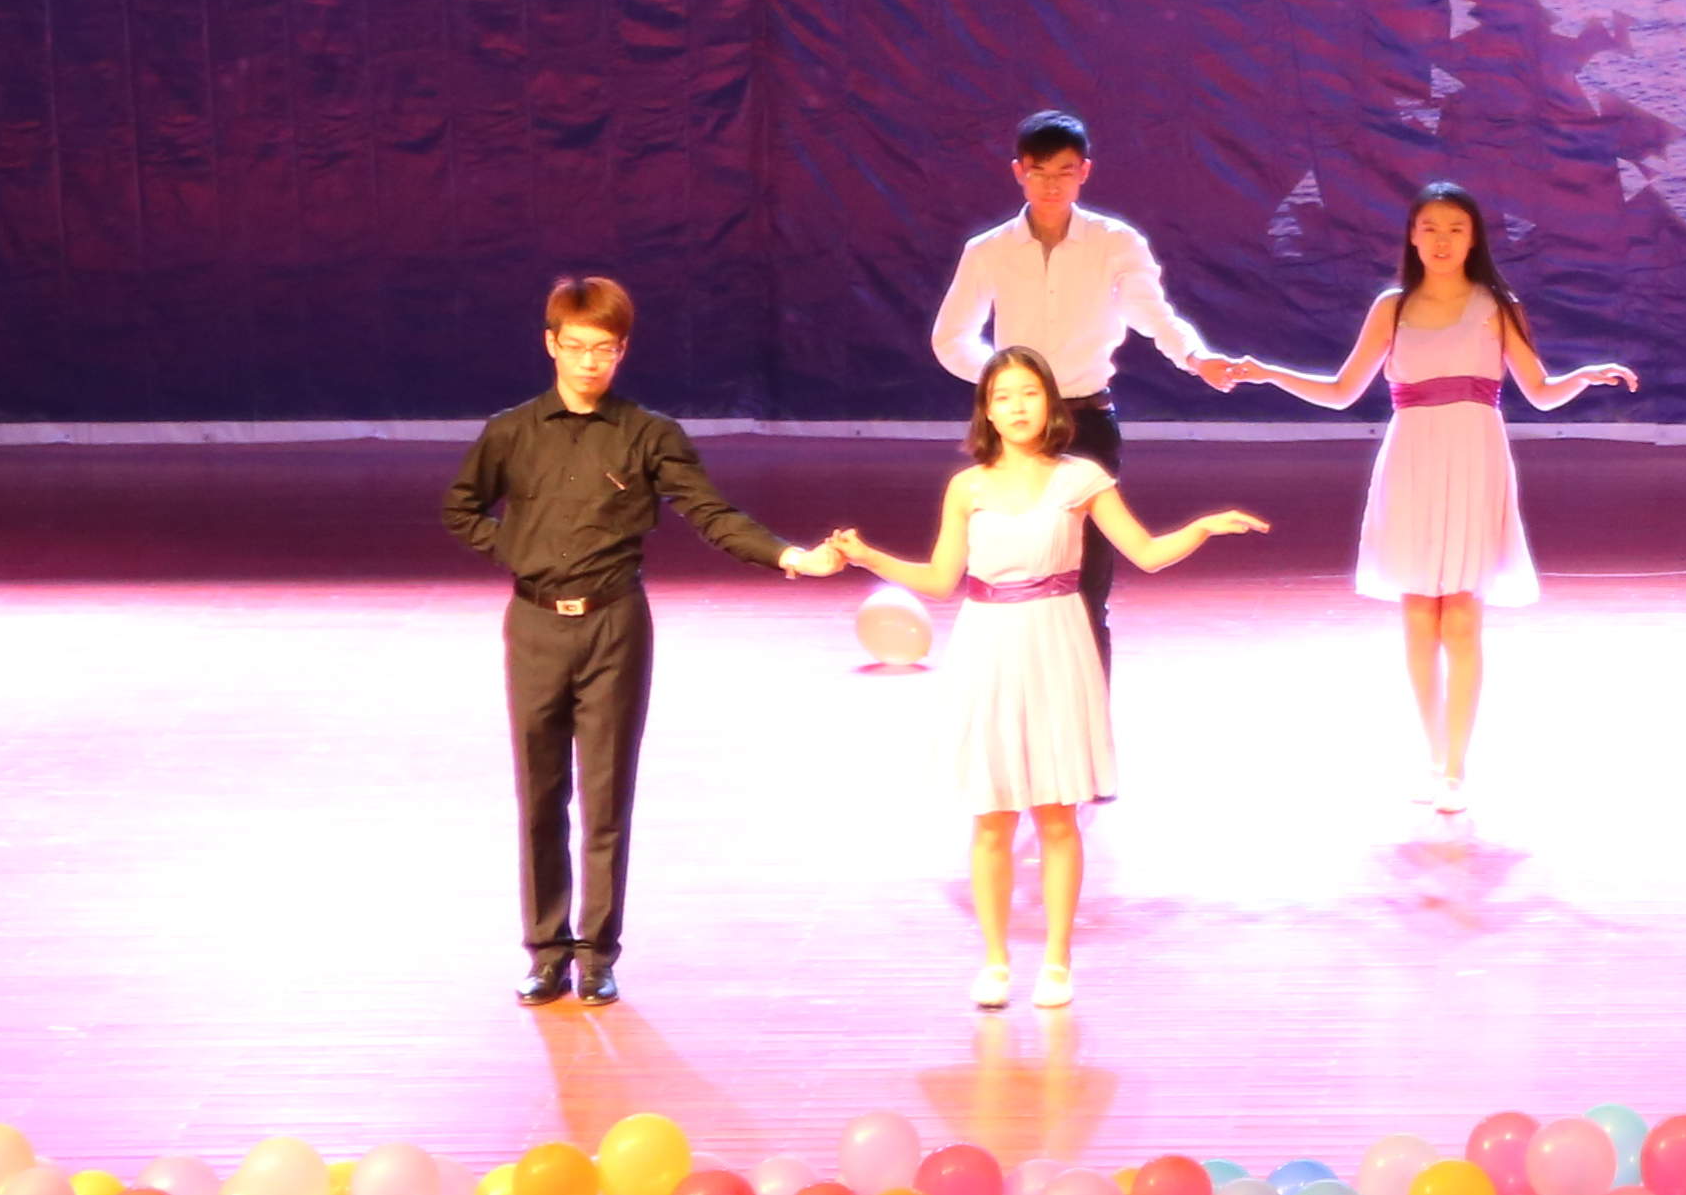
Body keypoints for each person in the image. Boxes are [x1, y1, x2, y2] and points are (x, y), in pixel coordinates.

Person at [820, 342, 1271, 1007]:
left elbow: (1146, 553)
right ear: (987, 411)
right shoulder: (968, 487)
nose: (1016, 407)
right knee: (992, 817)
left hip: (1056, 642)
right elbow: (941, 580)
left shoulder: (1081, 478)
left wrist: (1202, 527)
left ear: (1051, 403)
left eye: (1029, 393)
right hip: (987, 647)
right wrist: (866, 557)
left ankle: (1057, 962)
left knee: (1057, 816)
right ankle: (996, 962)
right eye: (1002, 397)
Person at [443, 273, 828, 1006]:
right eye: (576, 346)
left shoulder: (649, 435)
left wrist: (788, 556)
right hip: (534, 626)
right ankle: (546, 951)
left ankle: (597, 953)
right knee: (540, 795)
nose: (589, 361)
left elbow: (712, 514)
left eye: (605, 348)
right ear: (551, 344)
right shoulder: (511, 432)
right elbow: (461, 509)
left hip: (615, 626)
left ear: (622, 351)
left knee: (605, 795)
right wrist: (518, 549)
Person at [1248, 185, 1635, 813]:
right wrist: (1269, 373)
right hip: (1412, 464)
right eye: (1429, 227)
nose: (1442, 239)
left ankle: (1456, 768)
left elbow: (1540, 392)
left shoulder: (1497, 306)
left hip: (1475, 462)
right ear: (1412, 236)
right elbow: (1341, 391)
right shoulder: (1392, 307)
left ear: (1473, 237)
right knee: (1419, 617)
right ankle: (1433, 760)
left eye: (1455, 227)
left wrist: (1583, 378)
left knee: (1460, 617)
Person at [925, 109, 1241, 670]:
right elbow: (951, 338)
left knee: (1088, 581)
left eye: (1064, 172)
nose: (1051, 185)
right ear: (1018, 171)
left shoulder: (1115, 242)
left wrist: (1194, 357)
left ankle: (1089, 707)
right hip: (1018, 432)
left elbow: (1151, 313)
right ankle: (1022, 700)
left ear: (1085, 172)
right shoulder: (989, 249)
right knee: (1014, 573)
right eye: (1039, 172)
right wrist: (1008, 384)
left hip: (1088, 422)